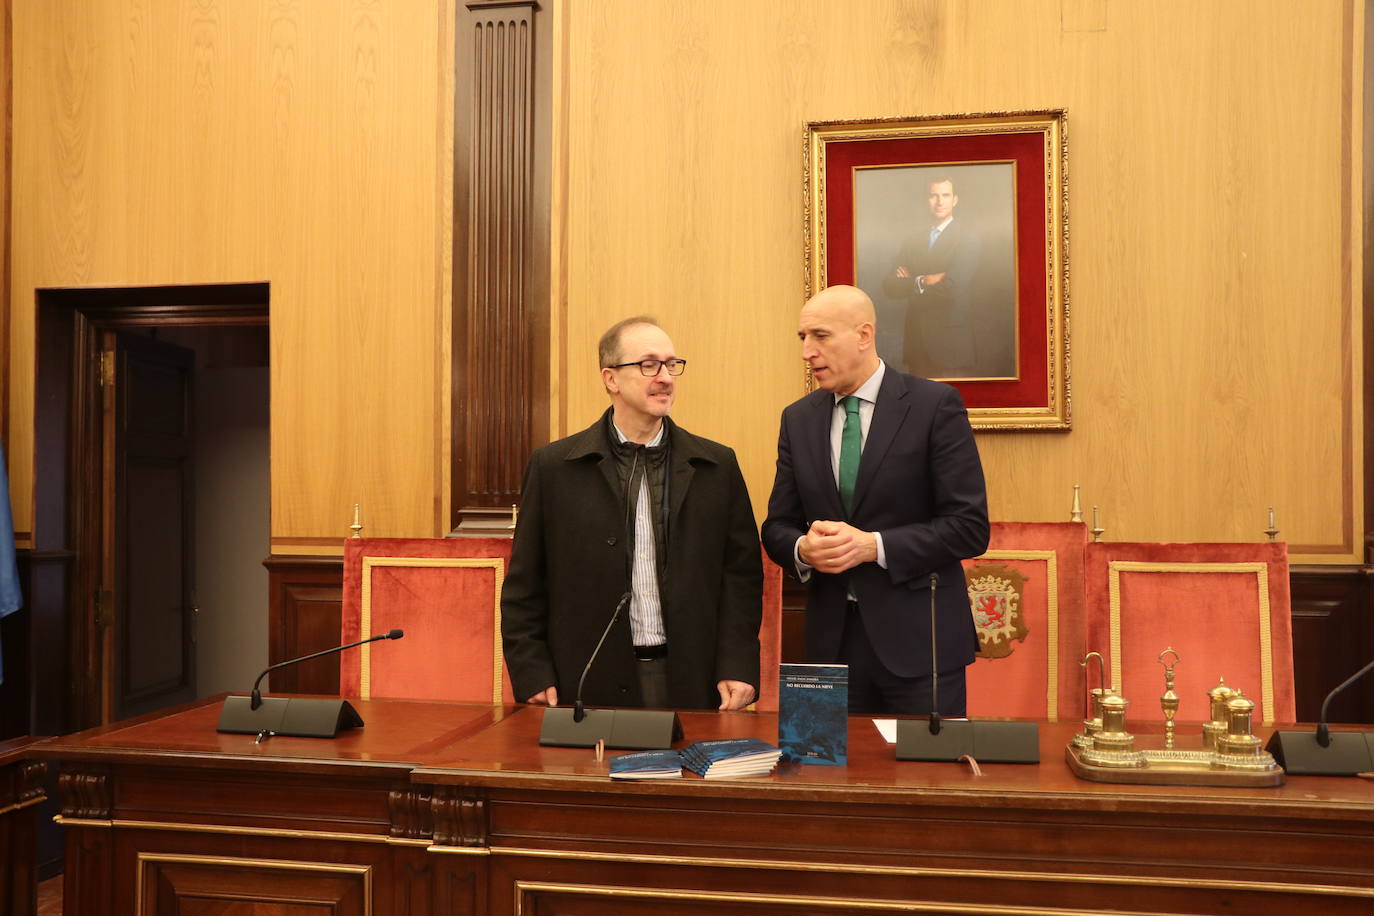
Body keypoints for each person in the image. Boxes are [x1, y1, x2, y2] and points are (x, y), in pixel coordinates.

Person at [501, 316, 763, 712]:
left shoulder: (716, 466)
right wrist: (531, 670)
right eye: (648, 364)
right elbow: (524, 586)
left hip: (692, 678)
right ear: (611, 379)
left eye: (672, 364)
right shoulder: (554, 468)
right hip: (586, 681)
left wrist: (738, 664)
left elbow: (741, 579)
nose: (665, 377)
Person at [762, 285, 989, 716]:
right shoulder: (798, 418)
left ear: (864, 335)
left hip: (920, 647)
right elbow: (777, 526)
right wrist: (803, 550)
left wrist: (874, 546)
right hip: (829, 648)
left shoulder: (933, 406)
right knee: (823, 781)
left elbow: (969, 527)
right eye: (802, 338)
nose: (807, 352)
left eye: (821, 336)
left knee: (926, 779)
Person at [883, 178, 983, 377]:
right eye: (933, 195)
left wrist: (910, 282)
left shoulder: (968, 238)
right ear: (926, 200)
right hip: (917, 344)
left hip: (950, 347)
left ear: (955, 200)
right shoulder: (913, 241)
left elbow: (952, 289)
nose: (939, 201)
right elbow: (890, 286)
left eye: (945, 195)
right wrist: (923, 281)